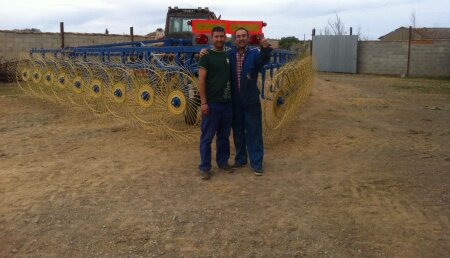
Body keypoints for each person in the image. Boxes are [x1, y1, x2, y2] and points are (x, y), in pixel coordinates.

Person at [201, 28, 272, 176]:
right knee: (238, 131)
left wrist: (265, 48)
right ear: (234, 39)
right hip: (234, 101)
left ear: (247, 37)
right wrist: (201, 53)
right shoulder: (229, 54)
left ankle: (257, 162)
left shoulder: (254, 54)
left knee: (254, 131)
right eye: (238, 36)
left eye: (243, 36)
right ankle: (240, 158)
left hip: (251, 100)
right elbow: (214, 57)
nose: (241, 38)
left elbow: (263, 60)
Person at [197, 26, 234, 180]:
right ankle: (205, 168)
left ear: (225, 37)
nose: (219, 39)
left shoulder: (228, 54)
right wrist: (204, 102)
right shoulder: (206, 56)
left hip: (227, 103)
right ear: (212, 38)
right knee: (207, 137)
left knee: (224, 136)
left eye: (221, 36)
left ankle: (223, 162)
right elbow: (201, 80)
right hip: (212, 104)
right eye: (216, 36)